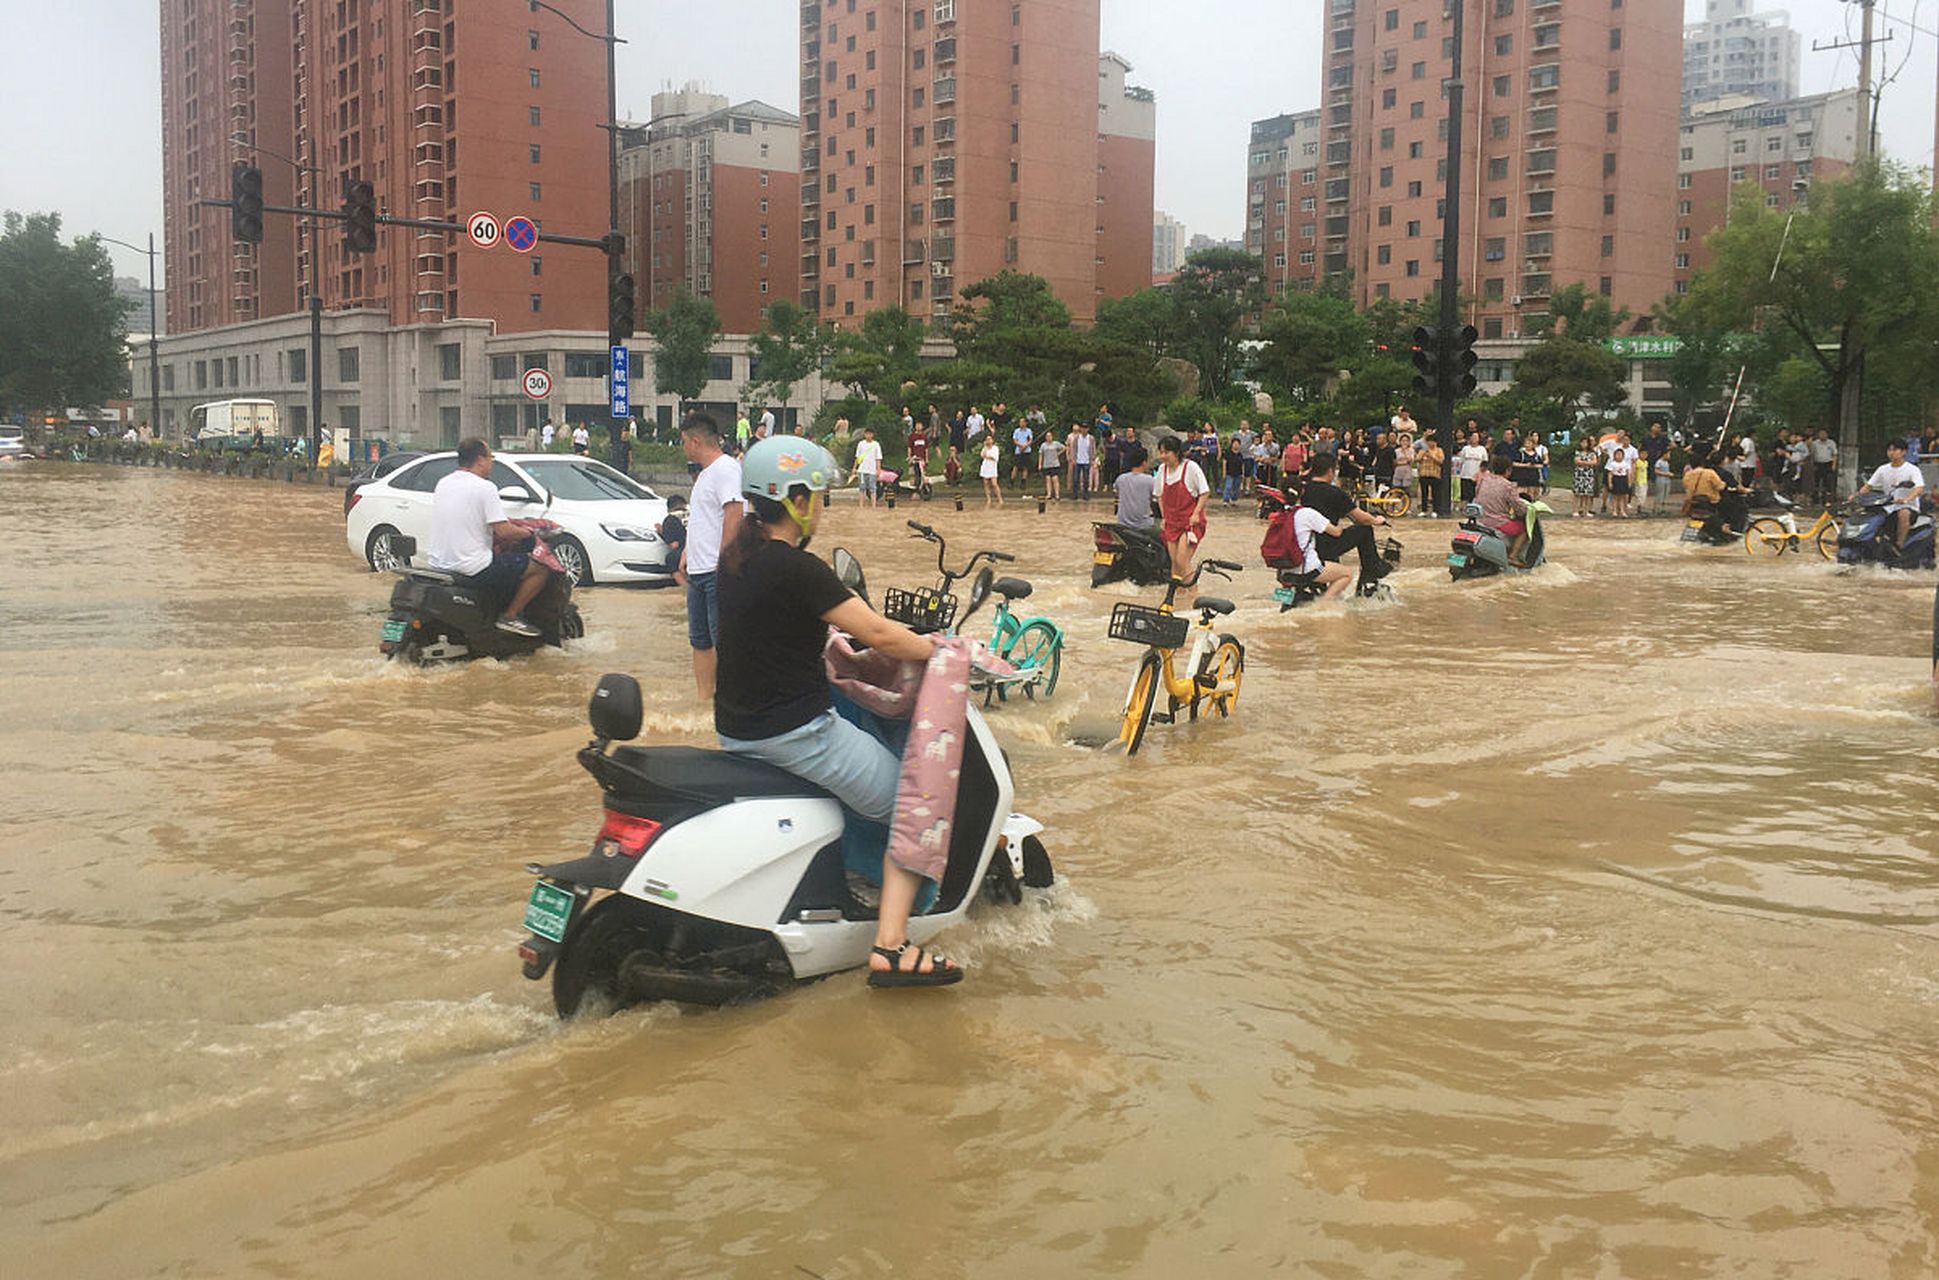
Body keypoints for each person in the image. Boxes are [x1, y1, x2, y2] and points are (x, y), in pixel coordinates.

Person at [713, 438, 957, 987]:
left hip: (738, 730)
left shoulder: (736, 560)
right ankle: (892, 946)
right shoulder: (799, 569)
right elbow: (873, 631)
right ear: (796, 499)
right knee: (918, 805)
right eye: (819, 495)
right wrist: (946, 651)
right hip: (796, 735)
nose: (822, 506)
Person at [426, 438, 552, 636]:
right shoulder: (485, 487)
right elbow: (503, 531)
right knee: (540, 568)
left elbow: (469, 518)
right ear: (480, 460)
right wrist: (530, 533)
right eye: (491, 457)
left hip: (439, 564)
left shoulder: (444, 483)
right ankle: (510, 617)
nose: (491, 461)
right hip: (472, 566)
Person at [678, 414, 745, 699]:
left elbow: (734, 512)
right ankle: (704, 700)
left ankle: (731, 700)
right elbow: (705, 518)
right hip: (697, 571)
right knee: (700, 641)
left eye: (683, 442)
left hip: (716, 570)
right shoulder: (705, 474)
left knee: (725, 642)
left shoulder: (726, 468)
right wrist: (686, 551)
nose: (683, 448)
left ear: (695, 441)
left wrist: (724, 561)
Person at [1298, 451, 1394, 587]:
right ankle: (1372, 569)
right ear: (1331, 470)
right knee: (1364, 530)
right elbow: (1360, 517)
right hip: (1327, 544)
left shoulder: (1303, 490)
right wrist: (1376, 520)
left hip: (1304, 546)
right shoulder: (1335, 493)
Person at [1154, 435, 1210, 581]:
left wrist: (1196, 514)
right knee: (1174, 563)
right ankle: (1178, 595)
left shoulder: (1190, 467)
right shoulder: (1161, 470)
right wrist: (1164, 517)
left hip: (1190, 523)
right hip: (1172, 522)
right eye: (1161, 452)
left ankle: (1193, 593)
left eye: (1166, 452)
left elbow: (1204, 492)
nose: (1163, 456)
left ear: (1176, 452)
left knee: (1182, 561)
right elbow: (1159, 496)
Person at [1854, 438, 1927, 550]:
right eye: (1889, 450)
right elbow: (1868, 486)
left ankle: (1899, 544)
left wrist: (1907, 499)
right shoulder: (1883, 469)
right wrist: (1856, 496)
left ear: (1903, 452)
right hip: (1888, 506)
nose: (1891, 453)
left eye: (1895, 449)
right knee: (1862, 513)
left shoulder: (1912, 469)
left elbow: (1919, 488)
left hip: (1908, 506)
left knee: (1904, 513)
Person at [1475, 455, 1532, 566]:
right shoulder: (1508, 486)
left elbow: (1477, 494)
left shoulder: (1483, 480)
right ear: (1508, 470)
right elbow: (1518, 507)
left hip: (1480, 520)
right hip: (1498, 523)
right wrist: (1526, 509)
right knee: (1524, 529)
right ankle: (1512, 556)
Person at [1114, 445, 1157, 532]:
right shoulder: (1150, 480)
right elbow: (1157, 497)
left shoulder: (1120, 479)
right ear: (1144, 463)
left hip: (1122, 524)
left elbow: (1117, 494)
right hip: (1143, 525)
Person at [854, 424, 884, 509]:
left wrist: (878, 470)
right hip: (862, 470)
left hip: (872, 470)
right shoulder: (861, 444)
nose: (868, 435)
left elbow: (878, 458)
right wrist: (855, 468)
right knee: (862, 488)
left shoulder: (876, 445)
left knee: (873, 488)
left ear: (872, 435)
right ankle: (861, 505)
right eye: (867, 434)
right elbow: (857, 457)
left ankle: (873, 506)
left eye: (870, 434)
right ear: (864, 434)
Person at [1603, 438, 1635, 518]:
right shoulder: (1612, 464)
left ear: (1623, 456)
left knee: (1622, 497)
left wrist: (1629, 481)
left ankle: (1622, 511)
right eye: (1617, 454)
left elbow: (1628, 473)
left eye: (1620, 454)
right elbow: (1610, 474)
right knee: (1615, 497)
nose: (1619, 456)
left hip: (1623, 479)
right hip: (1616, 479)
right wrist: (1610, 482)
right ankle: (1614, 511)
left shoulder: (1625, 464)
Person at [1416, 434, 1446, 516]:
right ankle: (1424, 510)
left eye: (1432, 441)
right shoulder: (1422, 450)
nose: (1430, 443)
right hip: (1424, 474)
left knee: (1435, 493)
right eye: (1428, 441)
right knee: (1424, 493)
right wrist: (1423, 454)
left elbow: (1441, 461)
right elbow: (1417, 459)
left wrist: (1432, 456)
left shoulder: (1439, 450)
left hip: (1435, 474)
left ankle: (1435, 510)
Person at [1455, 430, 1488, 503]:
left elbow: (1485, 462)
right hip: (1466, 475)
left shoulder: (1482, 449)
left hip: (1477, 476)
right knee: (1465, 494)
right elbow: (1461, 461)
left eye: (1476, 437)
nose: (1474, 439)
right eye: (1472, 437)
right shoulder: (1465, 448)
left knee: (1475, 493)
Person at [1808, 429, 1838, 506]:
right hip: (1818, 464)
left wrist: (1833, 465)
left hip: (1828, 464)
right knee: (1816, 482)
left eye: (1824, 434)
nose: (1822, 435)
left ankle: (1827, 501)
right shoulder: (1815, 443)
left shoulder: (1831, 443)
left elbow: (1834, 454)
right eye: (1821, 434)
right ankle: (1816, 501)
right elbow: (1811, 454)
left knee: (1827, 483)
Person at [1572, 436, 1600, 518]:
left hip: (1588, 474)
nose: (1584, 444)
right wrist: (1588, 462)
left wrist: (1583, 462)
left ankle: (1586, 510)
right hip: (1579, 474)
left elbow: (1594, 462)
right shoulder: (1577, 452)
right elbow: (1577, 461)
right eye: (1582, 442)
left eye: (1586, 442)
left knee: (1587, 493)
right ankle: (1575, 510)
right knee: (1577, 493)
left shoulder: (1592, 453)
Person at [1068, 422, 1096, 501]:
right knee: (1075, 478)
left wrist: (1093, 459)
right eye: (1083, 428)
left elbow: (1093, 449)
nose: (1084, 430)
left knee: (1086, 479)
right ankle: (1075, 494)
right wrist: (1073, 458)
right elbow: (1073, 448)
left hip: (1087, 461)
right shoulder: (1077, 438)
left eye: (1085, 428)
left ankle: (1086, 494)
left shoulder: (1091, 438)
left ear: (1088, 429)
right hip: (1078, 461)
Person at [1038, 428, 1066, 501]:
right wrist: (1040, 464)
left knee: (1055, 479)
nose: (1048, 438)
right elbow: (1041, 455)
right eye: (1047, 436)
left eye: (1050, 436)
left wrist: (1058, 454)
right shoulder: (1043, 445)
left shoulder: (1056, 443)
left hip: (1055, 464)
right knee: (1048, 479)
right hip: (1046, 464)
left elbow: (1064, 448)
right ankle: (1049, 494)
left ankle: (1057, 495)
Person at [1220, 433, 1246, 505]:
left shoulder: (1240, 454)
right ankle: (1226, 500)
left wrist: (1243, 473)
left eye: (1237, 444)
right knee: (1228, 487)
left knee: (1236, 488)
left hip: (1238, 473)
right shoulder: (1228, 453)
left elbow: (1242, 464)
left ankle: (1234, 499)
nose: (1236, 445)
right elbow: (1224, 462)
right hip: (1229, 473)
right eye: (1234, 443)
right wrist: (1224, 472)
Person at [979, 434, 1004, 507]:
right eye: (987, 439)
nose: (988, 441)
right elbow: (982, 455)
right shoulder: (984, 448)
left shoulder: (995, 448)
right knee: (986, 483)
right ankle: (988, 499)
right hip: (985, 466)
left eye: (990, 439)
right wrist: (985, 448)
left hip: (992, 467)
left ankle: (1000, 499)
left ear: (992, 440)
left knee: (994, 484)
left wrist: (988, 456)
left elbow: (995, 457)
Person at [1010, 413, 1035, 484]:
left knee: (1025, 467)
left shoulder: (1029, 431)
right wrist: (1020, 446)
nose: (1021, 423)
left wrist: (1025, 446)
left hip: (1027, 451)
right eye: (1020, 422)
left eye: (1023, 422)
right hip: (1018, 451)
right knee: (1015, 467)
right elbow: (1015, 440)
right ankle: (1012, 481)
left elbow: (1030, 440)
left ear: (1026, 423)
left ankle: (1023, 481)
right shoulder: (1016, 431)